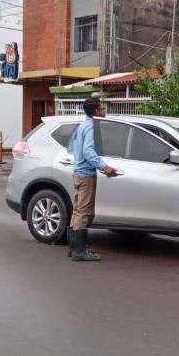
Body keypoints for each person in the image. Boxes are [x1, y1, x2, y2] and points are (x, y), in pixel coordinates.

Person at [68, 97, 118, 261]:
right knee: (84, 211)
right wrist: (105, 167)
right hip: (86, 174)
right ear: (96, 111)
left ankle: (74, 247)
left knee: (77, 210)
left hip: (78, 172)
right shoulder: (90, 127)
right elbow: (88, 151)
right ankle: (79, 251)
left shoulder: (82, 125)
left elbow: (76, 149)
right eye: (102, 108)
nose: (104, 111)